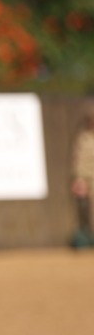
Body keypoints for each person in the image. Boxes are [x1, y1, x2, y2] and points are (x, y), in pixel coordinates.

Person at [71, 105, 94, 248]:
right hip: (86, 178)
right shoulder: (83, 138)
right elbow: (77, 160)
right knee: (85, 210)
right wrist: (78, 179)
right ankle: (87, 237)